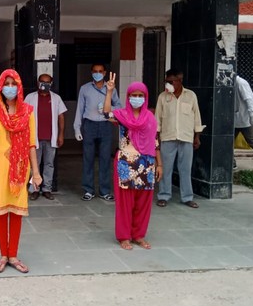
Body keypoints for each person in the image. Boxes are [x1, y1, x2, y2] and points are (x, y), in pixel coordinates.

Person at [0, 69, 42, 274]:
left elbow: (31, 144)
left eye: (14, 84)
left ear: (19, 86)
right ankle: (3, 255)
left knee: (16, 210)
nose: (10, 88)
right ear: (1, 87)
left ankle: (13, 254)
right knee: (0, 210)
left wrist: (37, 173)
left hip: (21, 166)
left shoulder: (28, 111)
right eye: (7, 84)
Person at [104, 74, 162, 250]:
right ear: (128, 97)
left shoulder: (150, 118)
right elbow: (106, 113)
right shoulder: (122, 115)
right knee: (125, 203)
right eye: (133, 95)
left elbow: (156, 142)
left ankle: (138, 235)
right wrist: (109, 91)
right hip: (125, 164)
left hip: (147, 164)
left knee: (143, 203)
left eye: (140, 96)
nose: (137, 99)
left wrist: (159, 164)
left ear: (145, 98)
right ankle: (124, 236)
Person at [155, 69, 205, 208]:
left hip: (186, 137)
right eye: (166, 81)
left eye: (171, 82)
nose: (168, 84)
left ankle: (187, 197)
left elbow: (197, 117)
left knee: (185, 169)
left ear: (179, 80)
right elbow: (157, 119)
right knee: (165, 168)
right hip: (167, 137)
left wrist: (197, 137)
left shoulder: (191, 96)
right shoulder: (162, 97)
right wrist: (156, 138)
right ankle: (164, 195)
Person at [73, 63, 122, 201]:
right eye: (95, 71)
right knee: (88, 158)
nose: (98, 73)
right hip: (89, 125)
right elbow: (80, 109)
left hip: (106, 125)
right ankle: (88, 190)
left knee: (105, 159)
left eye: (100, 71)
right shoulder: (85, 89)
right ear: (91, 72)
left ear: (105, 73)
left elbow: (119, 106)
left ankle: (104, 190)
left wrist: (109, 107)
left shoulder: (110, 88)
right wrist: (77, 127)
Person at [24, 73, 67, 200]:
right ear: (38, 82)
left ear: (51, 83)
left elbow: (61, 117)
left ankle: (47, 188)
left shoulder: (56, 98)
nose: (44, 84)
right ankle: (34, 189)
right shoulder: (30, 98)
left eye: (47, 82)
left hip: (50, 137)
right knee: (34, 164)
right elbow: (23, 117)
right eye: (42, 81)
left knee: (49, 164)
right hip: (34, 138)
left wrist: (61, 134)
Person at [234, 75, 253, 168]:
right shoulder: (232, 83)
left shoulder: (241, 83)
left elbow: (249, 100)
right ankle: (232, 164)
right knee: (228, 143)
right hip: (235, 119)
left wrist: (252, 115)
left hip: (245, 119)